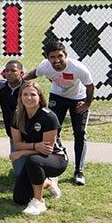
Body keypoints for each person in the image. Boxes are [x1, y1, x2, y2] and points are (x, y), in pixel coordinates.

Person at [25, 41, 93, 186]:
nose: (56, 60)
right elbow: (34, 74)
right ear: (47, 58)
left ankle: (79, 171)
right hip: (58, 97)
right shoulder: (45, 66)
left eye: (59, 56)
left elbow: (90, 85)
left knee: (80, 133)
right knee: (52, 131)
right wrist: (20, 79)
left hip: (78, 99)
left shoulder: (78, 67)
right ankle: (55, 162)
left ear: (66, 55)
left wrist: (87, 103)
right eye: (52, 57)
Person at [10, 81, 67, 215]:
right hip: (34, 157)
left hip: (56, 158)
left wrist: (23, 152)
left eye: (33, 94)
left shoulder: (48, 116)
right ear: (20, 97)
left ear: (40, 97)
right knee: (19, 199)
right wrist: (35, 146)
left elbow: (47, 149)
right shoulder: (16, 115)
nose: (28, 98)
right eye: (25, 94)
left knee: (34, 160)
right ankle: (48, 183)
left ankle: (38, 201)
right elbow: (17, 144)